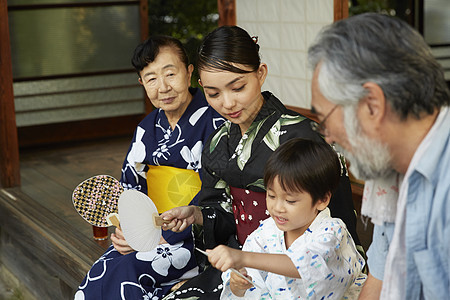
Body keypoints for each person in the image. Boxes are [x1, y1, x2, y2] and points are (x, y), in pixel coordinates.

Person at [160, 25, 361, 299]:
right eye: (213, 93)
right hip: (244, 263)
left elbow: (338, 218)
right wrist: (195, 214)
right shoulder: (218, 143)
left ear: (261, 74)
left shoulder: (304, 136)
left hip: (307, 269)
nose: (228, 103)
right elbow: (222, 213)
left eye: (238, 87)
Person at [307, 12, 449, 300]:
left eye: (325, 120)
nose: (329, 137)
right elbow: (381, 276)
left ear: (372, 105)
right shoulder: (389, 169)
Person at [75, 35, 224, 299]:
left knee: (128, 274)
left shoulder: (216, 122)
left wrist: (168, 234)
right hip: (150, 232)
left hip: (194, 235)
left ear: (189, 72)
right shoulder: (146, 129)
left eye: (170, 74)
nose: (163, 87)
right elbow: (130, 188)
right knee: (99, 276)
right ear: (142, 82)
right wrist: (127, 230)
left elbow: (219, 192)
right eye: (151, 78)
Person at [207, 138, 366, 299]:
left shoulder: (332, 231)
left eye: (290, 201)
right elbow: (250, 285)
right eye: (271, 195)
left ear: (322, 200)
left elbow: (305, 265)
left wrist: (242, 257)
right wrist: (238, 285)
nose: (277, 208)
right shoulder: (266, 232)